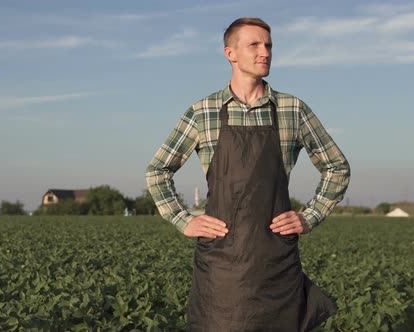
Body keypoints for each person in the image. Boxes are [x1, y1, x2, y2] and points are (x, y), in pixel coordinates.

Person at [145, 17, 350, 331]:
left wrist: (310, 216)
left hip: (275, 260)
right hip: (221, 263)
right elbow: (158, 170)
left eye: (268, 45)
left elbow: (337, 167)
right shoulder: (204, 111)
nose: (264, 52)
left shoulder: (292, 109)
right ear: (231, 53)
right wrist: (184, 220)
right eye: (254, 44)